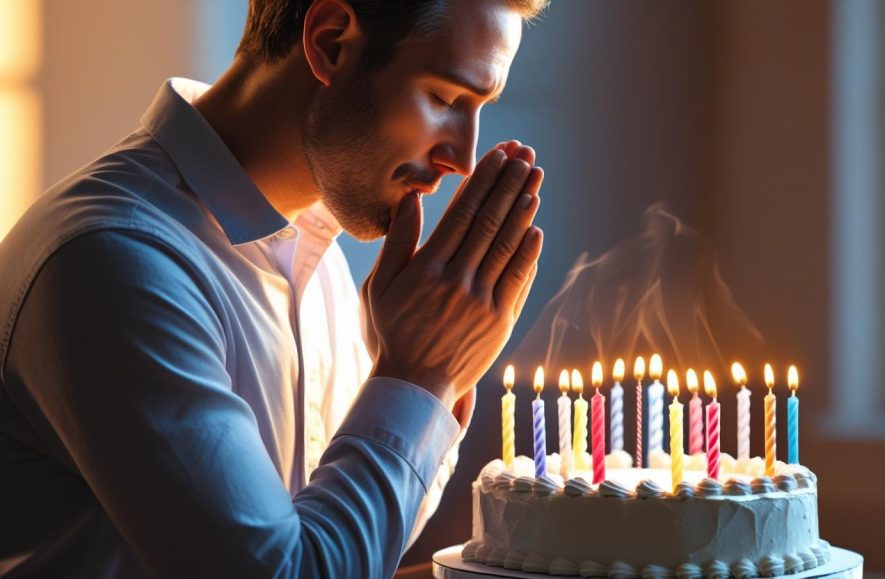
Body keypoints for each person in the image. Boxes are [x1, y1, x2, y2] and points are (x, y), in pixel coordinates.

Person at [0, 0, 548, 576]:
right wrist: (420, 377)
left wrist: (435, 378)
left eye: (479, 107)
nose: (462, 158)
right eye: (444, 98)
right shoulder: (116, 261)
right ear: (331, 42)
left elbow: (351, 553)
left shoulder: (318, 261)